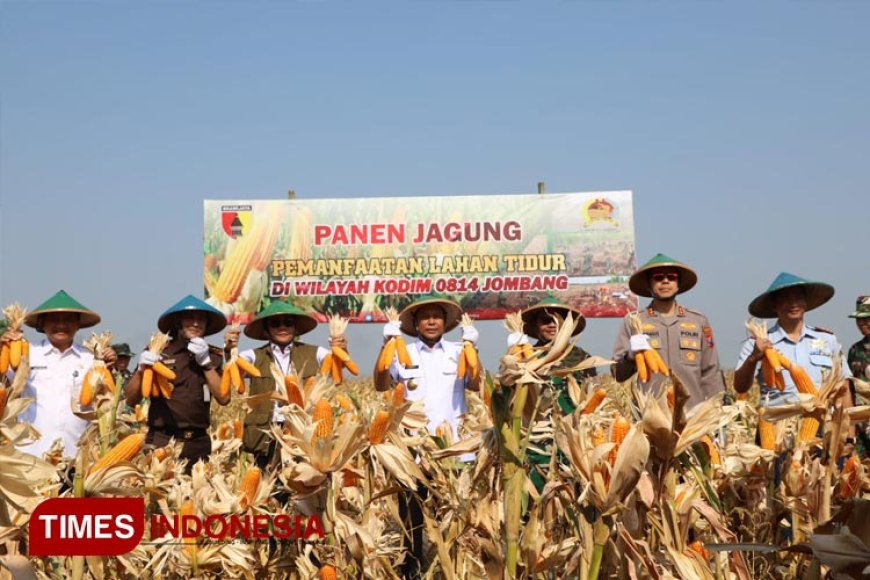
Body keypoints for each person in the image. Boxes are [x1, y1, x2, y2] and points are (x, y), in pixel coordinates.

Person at [373, 294, 480, 580]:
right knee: (413, 515)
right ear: (415, 324)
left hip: (453, 447)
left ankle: (455, 568)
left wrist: (473, 348)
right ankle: (412, 569)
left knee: (455, 513)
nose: (431, 321)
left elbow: (476, 383)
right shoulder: (401, 351)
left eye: (437, 316)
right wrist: (385, 347)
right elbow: (380, 383)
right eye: (425, 316)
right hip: (413, 447)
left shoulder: (459, 351)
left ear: (445, 323)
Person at [223, 300, 345, 469]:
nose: (282, 328)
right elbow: (235, 367)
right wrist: (229, 349)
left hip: (303, 435)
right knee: (269, 487)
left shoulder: (315, 353)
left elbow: (337, 369)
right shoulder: (253, 355)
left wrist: (341, 349)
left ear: (295, 328)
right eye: (275, 323)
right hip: (267, 435)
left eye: (288, 323)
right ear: (266, 330)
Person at [2, 290, 116, 458]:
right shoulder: (27, 354)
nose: (61, 325)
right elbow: (5, 384)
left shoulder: (90, 359)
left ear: (78, 324)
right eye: (54, 320)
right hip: (31, 453)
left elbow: (104, 402)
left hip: (76, 455)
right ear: (42, 324)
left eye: (68, 320)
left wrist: (108, 367)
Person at [125, 295, 228, 469]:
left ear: (207, 324)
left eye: (201, 319)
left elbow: (224, 398)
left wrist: (205, 364)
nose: (195, 323)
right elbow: (130, 398)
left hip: (198, 442)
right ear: (178, 322)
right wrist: (142, 370)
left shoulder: (213, 356)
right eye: (190, 318)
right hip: (162, 441)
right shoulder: (159, 352)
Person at [510, 295, 598, 492]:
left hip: (573, 434)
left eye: (557, 320)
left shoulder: (582, 357)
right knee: (539, 489)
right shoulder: (527, 356)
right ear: (536, 325)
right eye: (545, 321)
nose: (551, 325)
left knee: (573, 487)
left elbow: (591, 396)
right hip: (538, 437)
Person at [612, 254, 725, 407]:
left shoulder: (698, 321)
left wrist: (717, 409)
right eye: (658, 277)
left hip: (693, 414)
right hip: (651, 415)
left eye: (671, 277)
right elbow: (617, 374)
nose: (665, 281)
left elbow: (711, 371)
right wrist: (631, 356)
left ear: (679, 284)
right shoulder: (634, 322)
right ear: (648, 284)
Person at [734, 273, 851, 407]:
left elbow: (844, 388)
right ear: (774, 306)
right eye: (786, 299)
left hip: (821, 422)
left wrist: (848, 426)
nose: (794, 304)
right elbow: (740, 387)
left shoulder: (827, 340)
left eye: (798, 298)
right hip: (775, 424)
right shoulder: (757, 343)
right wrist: (753, 358)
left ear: (805, 303)